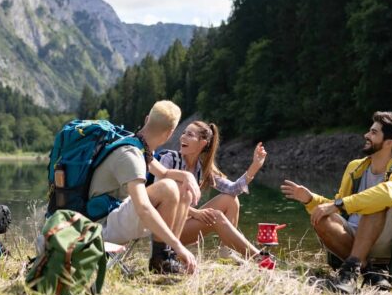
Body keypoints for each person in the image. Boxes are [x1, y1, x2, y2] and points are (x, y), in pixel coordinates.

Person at [281, 111, 392, 294]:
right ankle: (367, 271)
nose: (366, 135)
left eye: (374, 133)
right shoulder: (355, 167)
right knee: (320, 217)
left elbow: (388, 195)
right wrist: (310, 200)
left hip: (383, 239)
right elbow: (337, 206)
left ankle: (359, 269)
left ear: (388, 143)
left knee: (376, 203)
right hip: (352, 236)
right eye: (369, 131)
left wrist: (338, 204)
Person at [89, 100, 201, 274]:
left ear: (147, 118)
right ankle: (160, 259)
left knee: (182, 190)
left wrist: (187, 176)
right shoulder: (131, 155)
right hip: (101, 228)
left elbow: (163, 172)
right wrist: (179, 245)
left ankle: (168, 257)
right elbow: (143, 208)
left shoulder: (138, 146)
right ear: (170, 133)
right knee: (168, 188)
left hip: (113, 217)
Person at [154, 121, 272, 267]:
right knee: (216, 216)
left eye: (189, 134)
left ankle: (225, 253)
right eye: (183, 133)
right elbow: (159, 198)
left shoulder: (203, 169)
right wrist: (195, 213)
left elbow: (233, 189)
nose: (182, 137)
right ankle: (260, 259)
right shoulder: (170, 159)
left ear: (202, 143)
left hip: (184, 225)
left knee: (230, 200)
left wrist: (255, 166)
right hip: (162, 228)